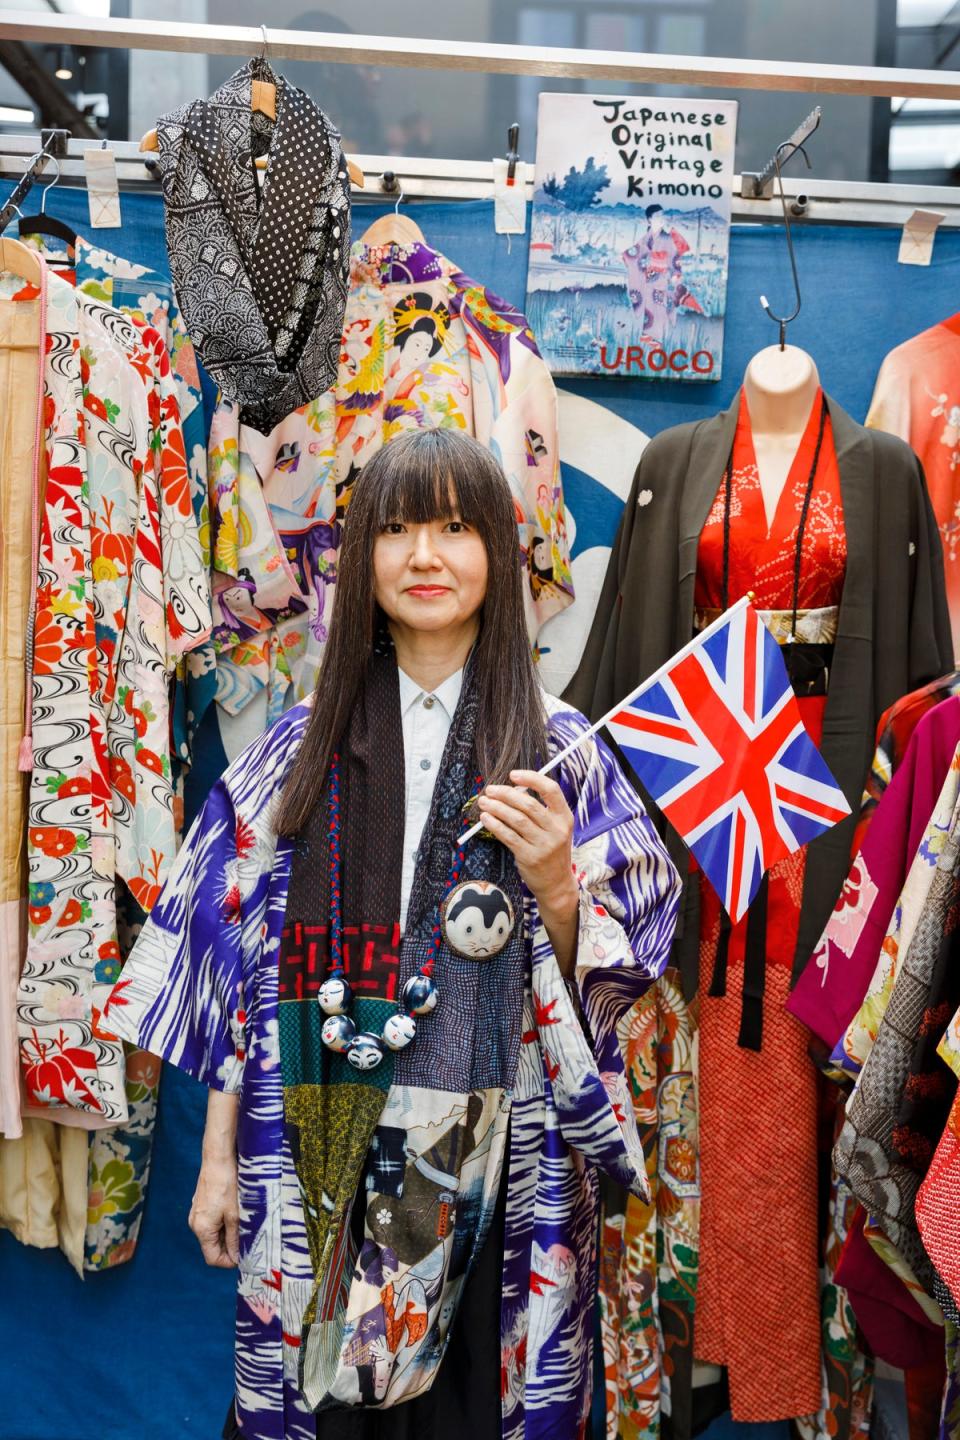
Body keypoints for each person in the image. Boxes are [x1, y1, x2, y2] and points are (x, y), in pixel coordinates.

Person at [104, 428, 680, 1440]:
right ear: (362, 550)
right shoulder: (297, 747)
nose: (425, 555)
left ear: (499, 556)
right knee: (323, 1406)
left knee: (471, 1410)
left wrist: (554, 882)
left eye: (457, 528)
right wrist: (218, 1158)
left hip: (501, 1154)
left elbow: (633, 959)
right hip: (315, 1140)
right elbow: (235, 965)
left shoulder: (561, 747)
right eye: (401, 527)